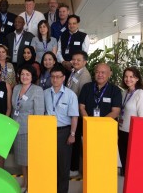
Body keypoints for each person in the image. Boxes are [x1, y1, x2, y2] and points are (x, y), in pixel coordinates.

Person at [44, 64, 79, 193]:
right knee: (49, 165)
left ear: (63, 78)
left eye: (58, 77)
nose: (55, 80)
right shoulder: (45, 93)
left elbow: (74, 116)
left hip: (64, 132)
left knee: (63, 167)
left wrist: (73, 134)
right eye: (53, 77)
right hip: (47, 132)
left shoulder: (70, 95)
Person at [12, 65, 45, 193]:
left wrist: (36, 132)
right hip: (16, 128)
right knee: (22, 160)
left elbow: (39, 113)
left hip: (29, 130)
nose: (24, 77)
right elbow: (15, 108)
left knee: (30, 160)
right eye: (22, 74)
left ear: (32, 77)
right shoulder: (16, 88)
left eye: (27, 74)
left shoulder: (37, 90)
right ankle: (25, 182)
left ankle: (31, 185)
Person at [66, 50, 92, 177]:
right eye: (73, 59)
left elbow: (83, 97)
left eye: (78, 60)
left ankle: (74, 168)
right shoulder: (74, 71)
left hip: (77, 113)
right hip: (70, 112)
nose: (75, 62)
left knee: (75, 141)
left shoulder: (85, 75)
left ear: (85, 62)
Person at [118, 67, 143, 176]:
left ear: (137, 79)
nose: (128, 79)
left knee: (132, 165)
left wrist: (139, 136)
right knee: (124, 160)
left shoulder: (141, 94)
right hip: (121, 130)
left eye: (131, 76)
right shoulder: (124, 92)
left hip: (133, 133)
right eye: (126, 76)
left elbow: (142, 117)